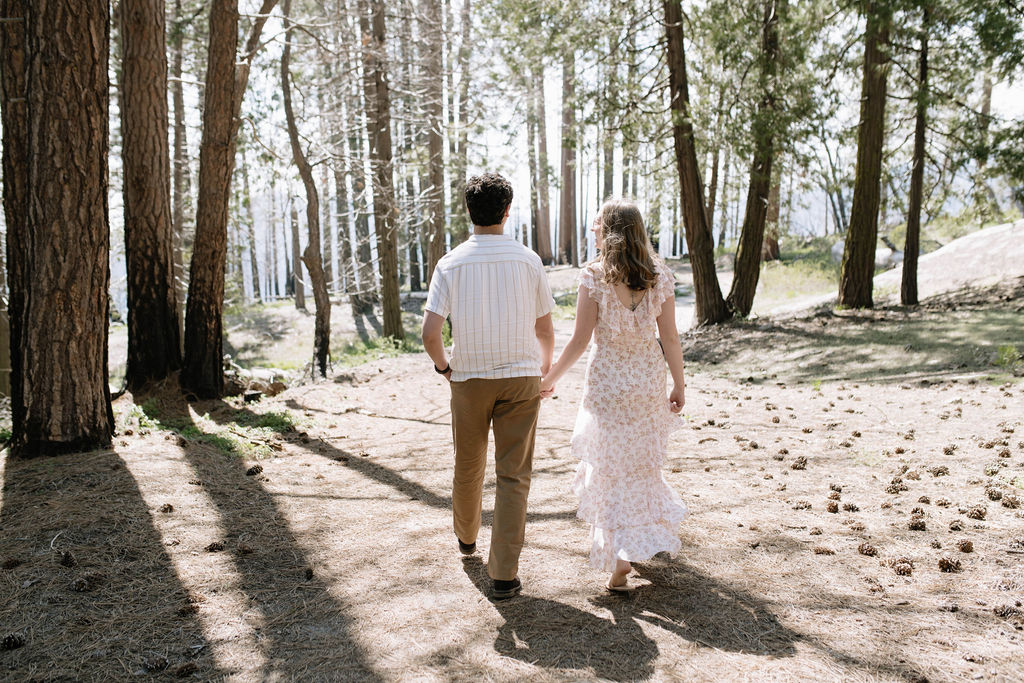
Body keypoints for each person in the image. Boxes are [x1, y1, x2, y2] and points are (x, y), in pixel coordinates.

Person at [540, 198, 688, 592]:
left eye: (597, 224)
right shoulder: (661, 277)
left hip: (606, 385)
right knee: (639, 467)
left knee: (609, 469)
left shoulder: (594, 277)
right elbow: (670, 337)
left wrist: (550, 377)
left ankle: (619, 555)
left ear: (610, 231)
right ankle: (626, 553)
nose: (591, 228)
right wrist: (679, 383)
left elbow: (579, 340)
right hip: (646, 383)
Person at [421, 172, 556, 600]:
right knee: (514, 476)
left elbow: (430, 333)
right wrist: (544, 371)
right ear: (507, 211)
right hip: (520, 378)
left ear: (469, 212)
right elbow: (545, 329)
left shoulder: (450, 263)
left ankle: (466, 538)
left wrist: (445, 369)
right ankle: (503, 575)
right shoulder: (528, 260)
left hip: (469, 378)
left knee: (468, 463)